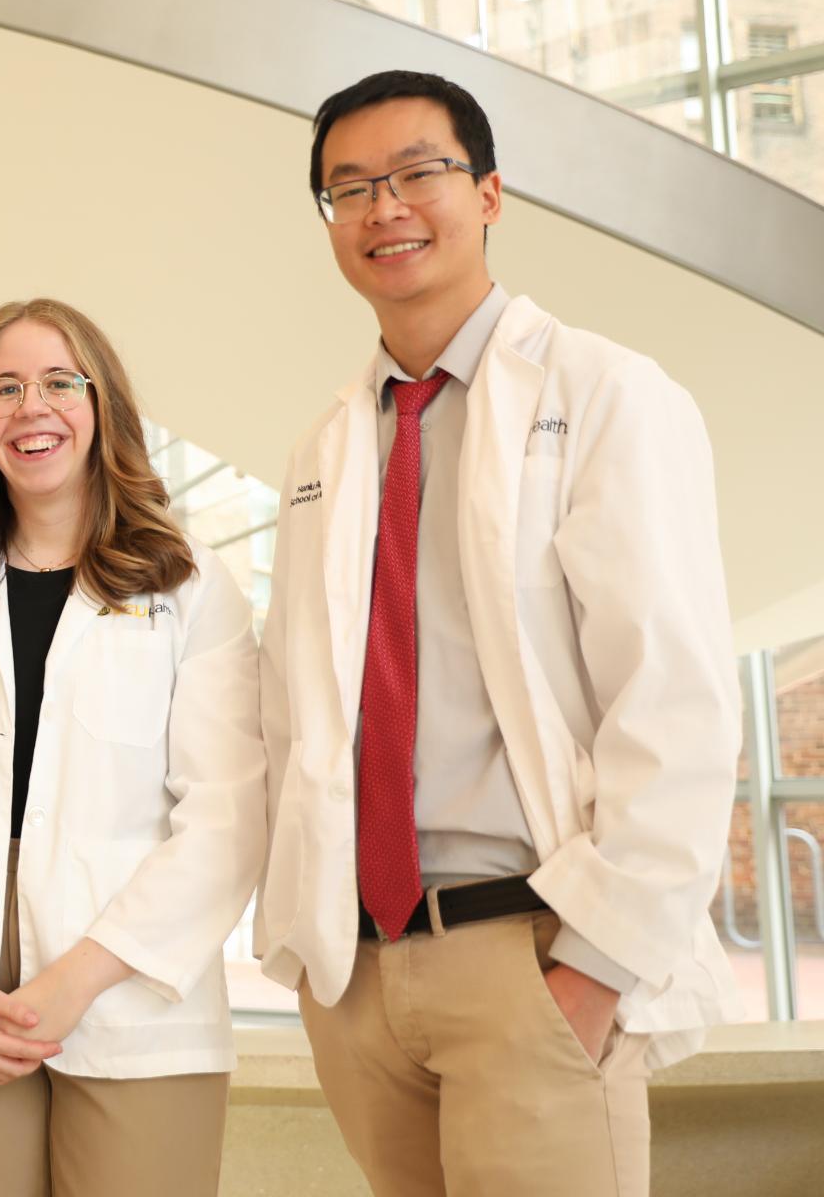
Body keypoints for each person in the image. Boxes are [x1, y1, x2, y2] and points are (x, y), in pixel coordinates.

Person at [255, 69, 741, 1196]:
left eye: (419, 173)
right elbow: (296, 708)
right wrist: (314, 960)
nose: (386, 208)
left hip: (531, 956)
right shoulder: (325, 448)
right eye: (350, 189)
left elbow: (671, 697)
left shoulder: (606, 392)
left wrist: (596, 968)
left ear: (490, 195)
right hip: (362, 977)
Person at [0, 298, 267, 1196]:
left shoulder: (189, 583)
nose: (29, 407)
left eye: (57, 383)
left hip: (128, 971)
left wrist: (76, 982)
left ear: (101, 403)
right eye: (3, 389)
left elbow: (227, 820)